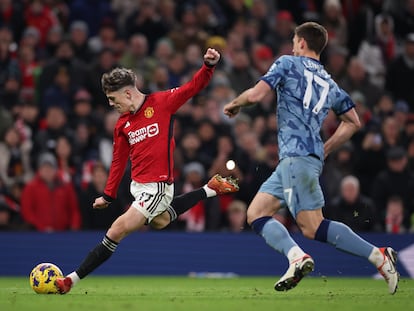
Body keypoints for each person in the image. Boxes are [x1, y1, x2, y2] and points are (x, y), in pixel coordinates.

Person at [223, 22, 399, 294]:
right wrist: (325, 149)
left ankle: (378, 255)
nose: (293, 45)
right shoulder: (330, 82)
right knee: (256, 213)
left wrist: (235, 103)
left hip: (297, 157)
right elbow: (353, 121)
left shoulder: (287, 63)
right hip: (299, 159)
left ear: (302, 42)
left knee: (312, 226)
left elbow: (257, 95)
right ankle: (296, 257)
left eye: (295, 41)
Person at [54, 48, 239, 294]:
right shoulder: (122, 124)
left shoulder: (161, 103)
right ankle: (209, 189)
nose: (111, 104)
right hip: (138, 187)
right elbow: (118, 162)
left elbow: (193, 87)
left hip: (159, 186)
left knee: (116, 230)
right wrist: (108, 195)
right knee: (161, 221)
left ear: (128, 93)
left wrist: (207, 67)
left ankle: (70, 280)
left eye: (113, 99)